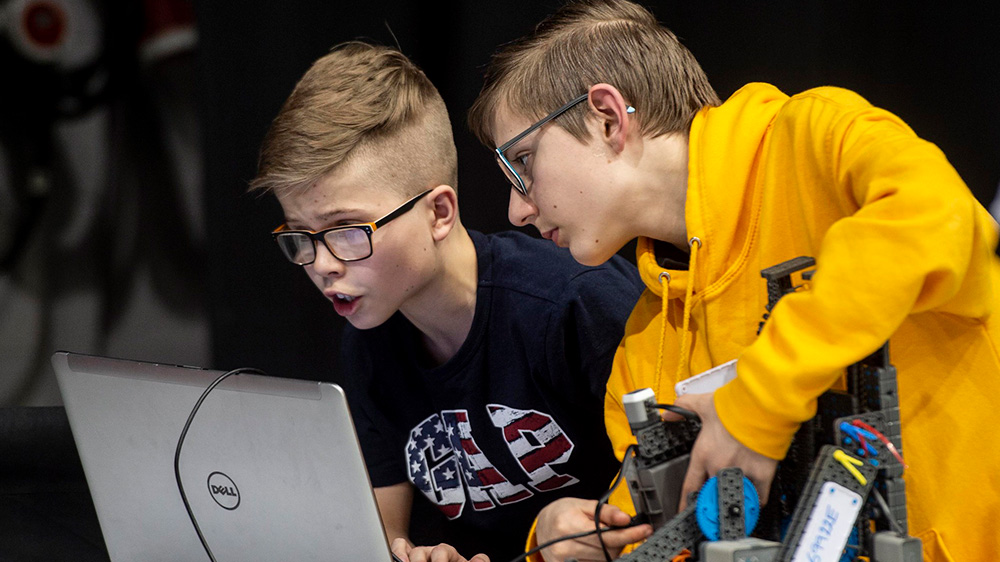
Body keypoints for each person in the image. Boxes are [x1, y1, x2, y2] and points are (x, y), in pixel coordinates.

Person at [467, 1, 1000, 560]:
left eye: (522, 161)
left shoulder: (813, 140)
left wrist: (759, 401)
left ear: (606, 118)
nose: (515, 210)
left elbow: (937, 219)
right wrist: (564, 541)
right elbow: (658, 535)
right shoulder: (644, 349)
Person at [249, 41, 645, 562]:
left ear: (439, 212)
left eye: (346, 231)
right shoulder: (369, 342)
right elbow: (381, 543)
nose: (322, 265)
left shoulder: (574, 303)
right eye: (301, 236)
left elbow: (679, 504)